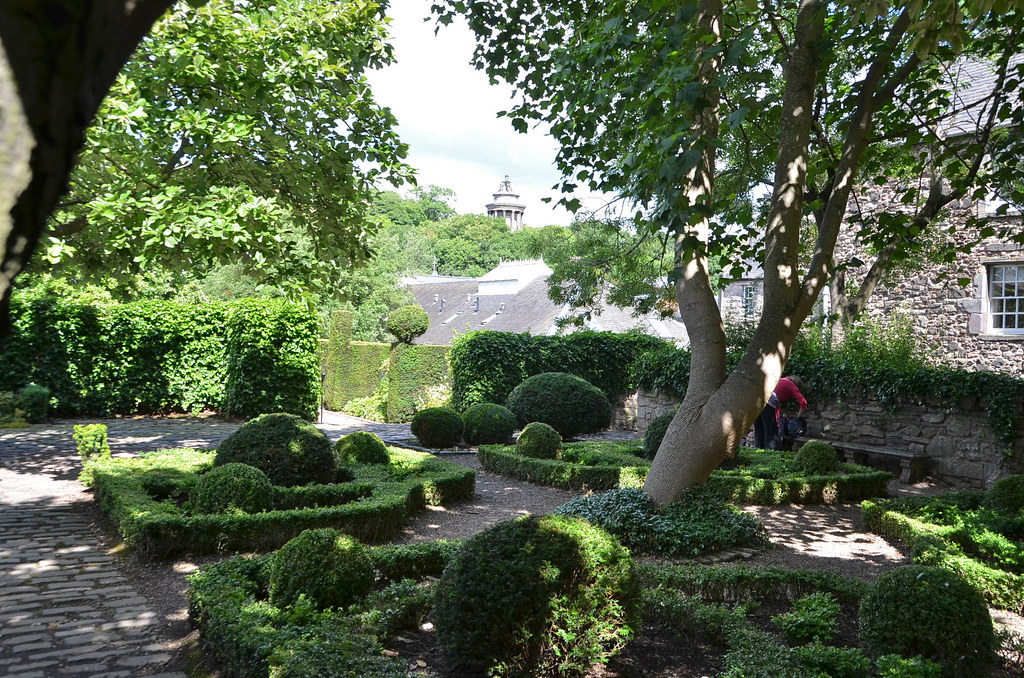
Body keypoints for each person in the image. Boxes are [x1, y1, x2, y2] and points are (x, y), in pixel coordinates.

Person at [754, 376, 808, 450]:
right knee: (771, 433)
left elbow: (776, 406)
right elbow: (803, 402)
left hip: (756, 401)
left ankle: (758, 451)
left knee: (759, 429)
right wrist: (798, 418)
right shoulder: (791, 384)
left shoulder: (780, 380)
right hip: (768, 403)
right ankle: (770, 454)